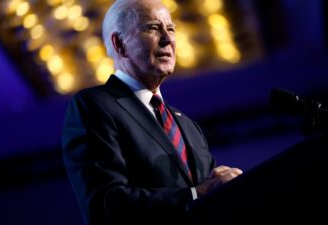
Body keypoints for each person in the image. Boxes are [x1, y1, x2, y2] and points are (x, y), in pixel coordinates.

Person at [62, 0, 242, 224]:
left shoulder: (187, 125)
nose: (168, 40)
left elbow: (210, 194)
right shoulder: (95, 106)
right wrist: (197, 194)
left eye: (171, 29)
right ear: (120, 44)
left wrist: (229, 187)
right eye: (153, 28)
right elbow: (106, 204)